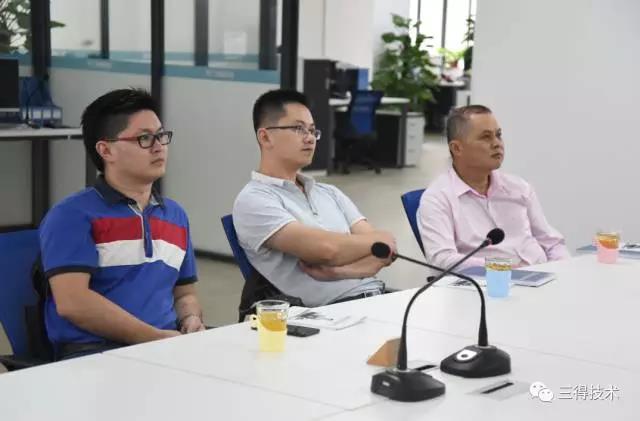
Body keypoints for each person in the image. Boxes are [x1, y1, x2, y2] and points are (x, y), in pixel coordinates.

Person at [39, 88, 204, 360]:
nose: (159, 146)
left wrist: (190, 318)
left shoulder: (175, 215)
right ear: (106, 150)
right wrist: (155, 338)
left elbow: (184, 293)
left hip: (165, 348)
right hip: (95, 355)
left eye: (161, 135)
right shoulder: (71, 215)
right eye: (144, 138)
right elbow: (73, 303)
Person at [232, 89, 396, 307]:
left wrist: (339, 272)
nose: (309, 138)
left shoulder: (329, 193)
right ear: (265, 137)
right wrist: (377, 241)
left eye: (312, 130)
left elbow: (386, 252)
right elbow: (327, 251)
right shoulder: (254, 200)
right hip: (329, 314)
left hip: (375, 297)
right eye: (298, 129)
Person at [418, 105, 569, 270]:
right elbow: (442, 259)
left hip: (542, 274)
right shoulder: (438, 198)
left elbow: (552, 243)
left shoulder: (519, 188)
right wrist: (504, 268)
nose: (497, 144)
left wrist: (564, 270)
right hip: (490, 281)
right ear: (457, 148)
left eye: (498, 135)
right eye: (486, 137)